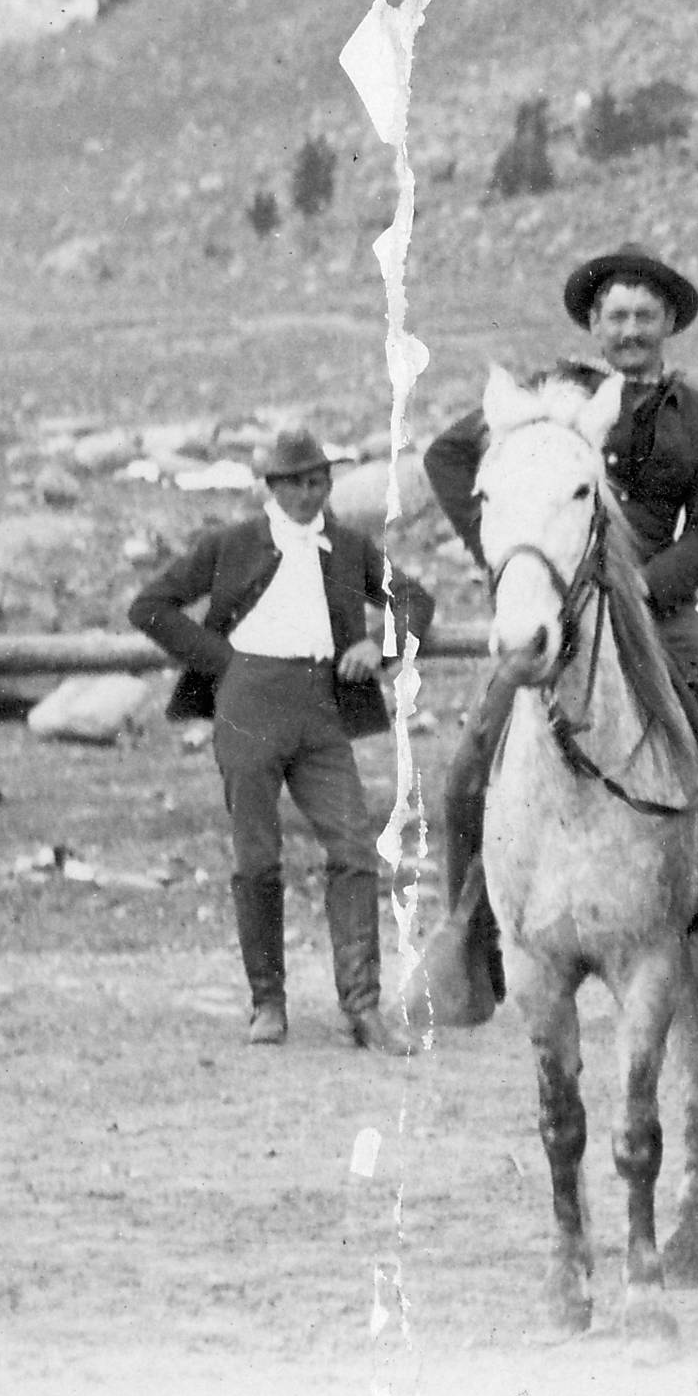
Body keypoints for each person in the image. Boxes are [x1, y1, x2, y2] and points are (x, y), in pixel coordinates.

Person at [418, 247, 698, 1014]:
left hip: (662, 611)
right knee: (471, 757)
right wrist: (511, 560)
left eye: (644, 316)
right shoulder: (560, 397)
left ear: (667, 326)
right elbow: (449, 456)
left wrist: (645, 589)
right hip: (565, 611)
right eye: (616, 316)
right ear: (594, 324)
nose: (630, 330)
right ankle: (468, 928)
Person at [127, 421, 431, 1045]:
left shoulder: (347, 547)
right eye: (293, 484)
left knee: (352, 846)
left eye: (317, 481)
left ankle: (364, 1008)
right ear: (272, 486)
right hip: (246, 706)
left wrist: (377, 644)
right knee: (257, 857)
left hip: (321, 709)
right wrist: (224, 663)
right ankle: (268, 1004)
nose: (306, 495)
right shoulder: (231, 543)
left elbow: (416, 599)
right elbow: (150, 606)